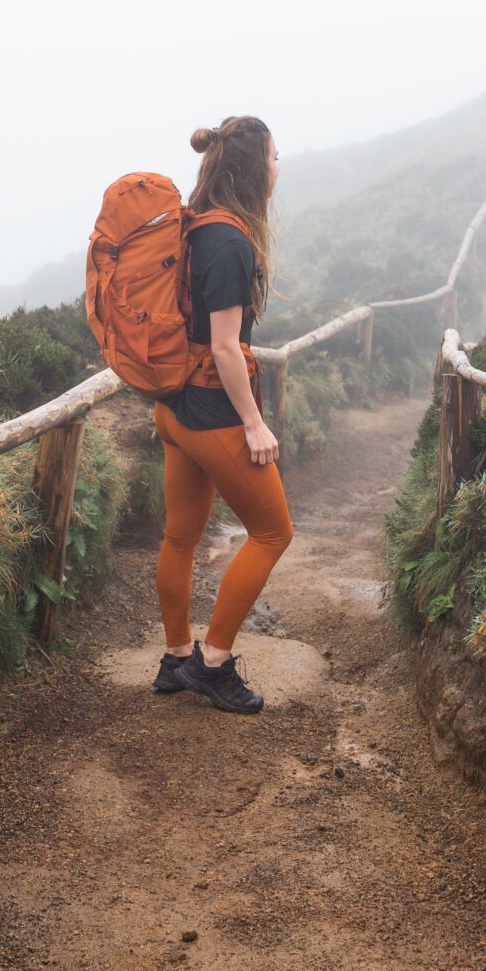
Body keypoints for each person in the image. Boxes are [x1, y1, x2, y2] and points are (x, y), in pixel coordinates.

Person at [152, 116, 292, 715]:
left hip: (172, 412)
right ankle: (213, 663)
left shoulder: (192, 229)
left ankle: (176, 657)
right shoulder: (233, 243)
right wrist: (254, 425)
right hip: (213, 416)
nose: (279, 167)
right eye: (275, 157)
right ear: (253, 170)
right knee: (272, 532)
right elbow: (225, 348)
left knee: (179, 536)